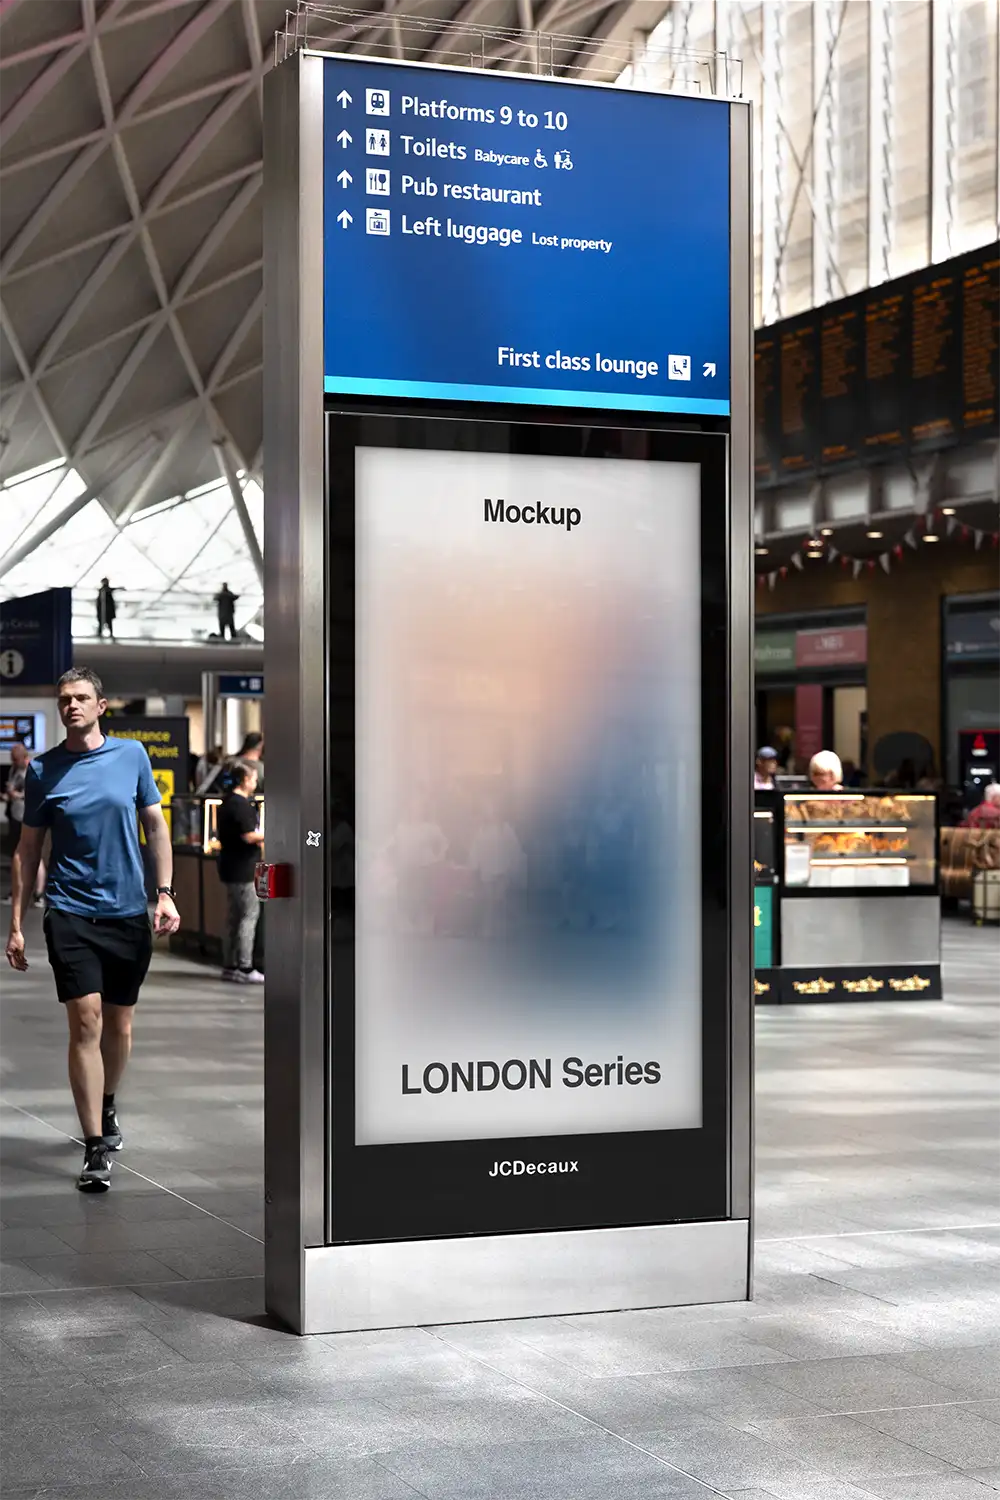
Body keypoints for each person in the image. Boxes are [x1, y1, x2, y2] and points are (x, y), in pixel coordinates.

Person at [4, 668, 180, 1193]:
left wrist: (165, 892)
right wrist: (17, 923)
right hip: (69, 911)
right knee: (86, 1022)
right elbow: (28, 850)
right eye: (64, 700)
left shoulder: (131, 757)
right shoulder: (43, 770)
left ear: (101, 706)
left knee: (119, 1026)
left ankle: (106, 1103)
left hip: (127, 911)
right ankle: (95, 1145)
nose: (71, 706)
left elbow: (156, 826)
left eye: (81, 698)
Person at [216, 762, 264, 983]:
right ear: (245, 780)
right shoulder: (241, 805)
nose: (255, 783)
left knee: (234, 917)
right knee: (248, 915)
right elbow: (248, 835)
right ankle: (245, 966)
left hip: (229, 866)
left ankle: (230, 964)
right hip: (244, 868)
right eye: (254, 779)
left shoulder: (226, 803)